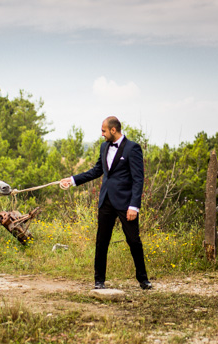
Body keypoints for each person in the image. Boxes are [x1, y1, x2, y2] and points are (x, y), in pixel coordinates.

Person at [60, 116, 151, 290]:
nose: (102, 134)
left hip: (126, 204)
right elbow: (96, 171)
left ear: (113, 130)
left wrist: (134, 206)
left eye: (103, 130)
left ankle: (143, 279)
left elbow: (138, 179)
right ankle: (99, 280)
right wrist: (72, 180)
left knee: (134, 241)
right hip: (106, 201)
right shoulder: (104, 147)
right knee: (102, 242)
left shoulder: (133, 148)